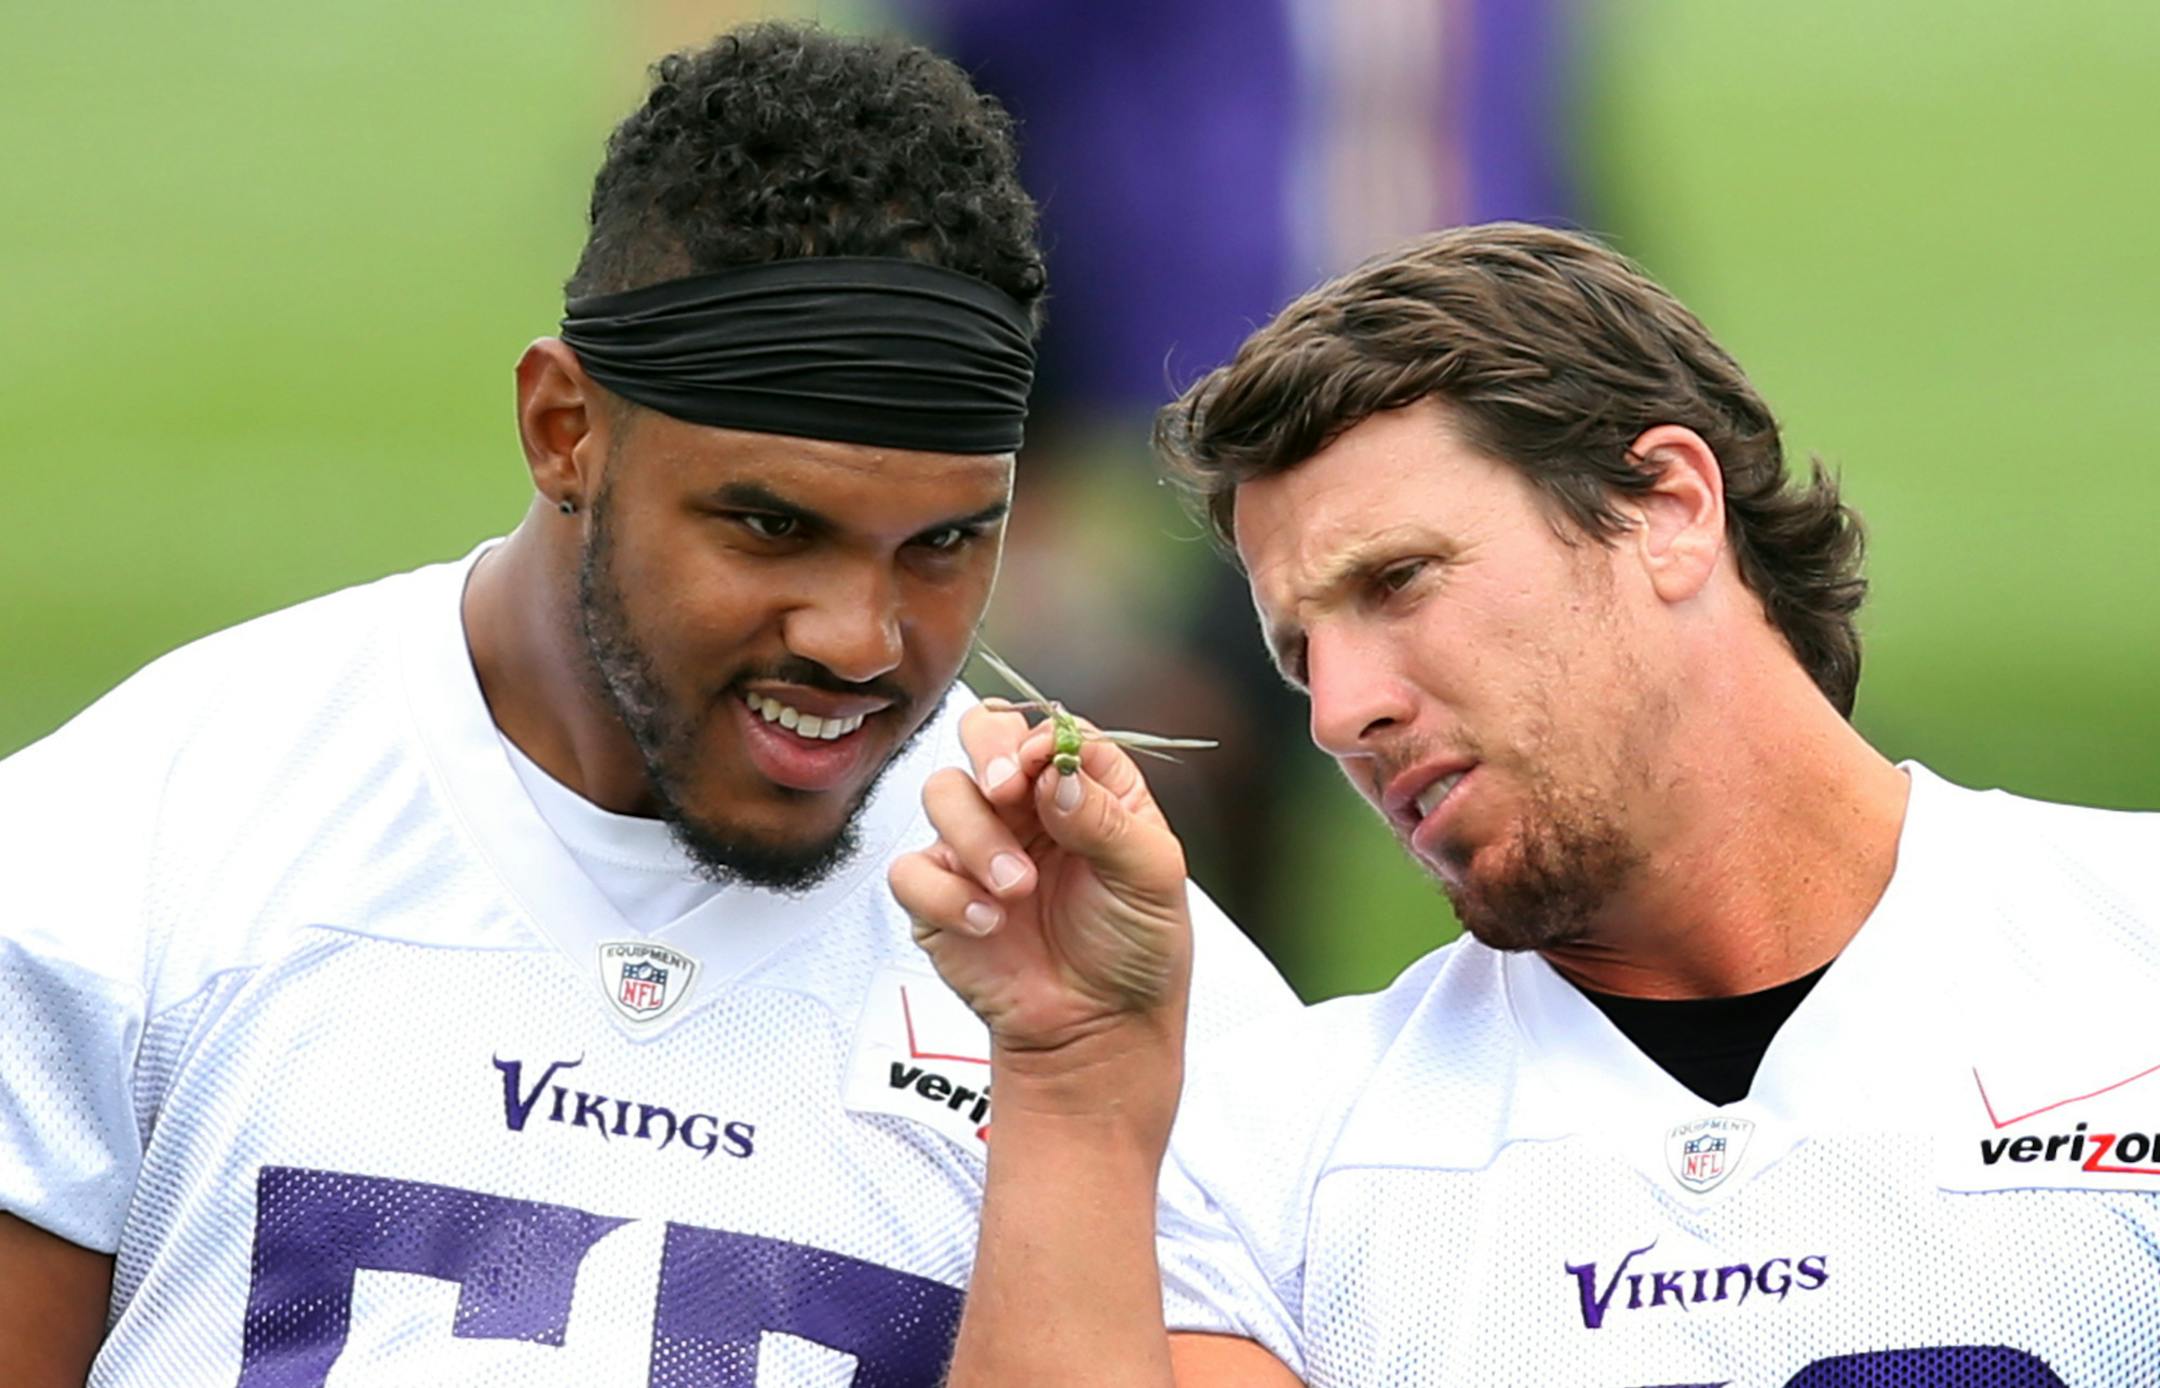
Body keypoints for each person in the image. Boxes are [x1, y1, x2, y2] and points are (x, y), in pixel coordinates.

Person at [0, 22, 1295, 1386]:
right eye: (769, 525)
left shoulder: (1128, 1008)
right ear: (565, 428)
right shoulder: (118, 857)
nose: (862, 642)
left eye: (944, 545)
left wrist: (1076, 1100)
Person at [895, 222, 2160, 1386]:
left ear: (1668, 508)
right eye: (1297, 656)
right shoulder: (1277, 1141)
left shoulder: (2129, 956)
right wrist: (1071, 1074)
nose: (1340, 713)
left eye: (1399, 581)